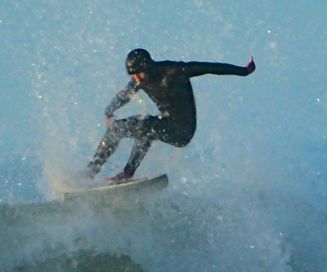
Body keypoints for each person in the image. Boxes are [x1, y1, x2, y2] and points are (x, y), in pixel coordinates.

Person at [84, 47, 255, 182]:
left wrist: (243, 71)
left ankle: (127, 173)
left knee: (148, 126)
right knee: (118, 128)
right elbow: (124, 95)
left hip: (183, 131)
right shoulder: (140, 80)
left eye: (138, 73)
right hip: (165, 123)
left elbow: (209, 68)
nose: (135, 78)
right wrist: (109, 111)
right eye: (133, 74)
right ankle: (90, 172)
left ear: (148, 67)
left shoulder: (173, 71)